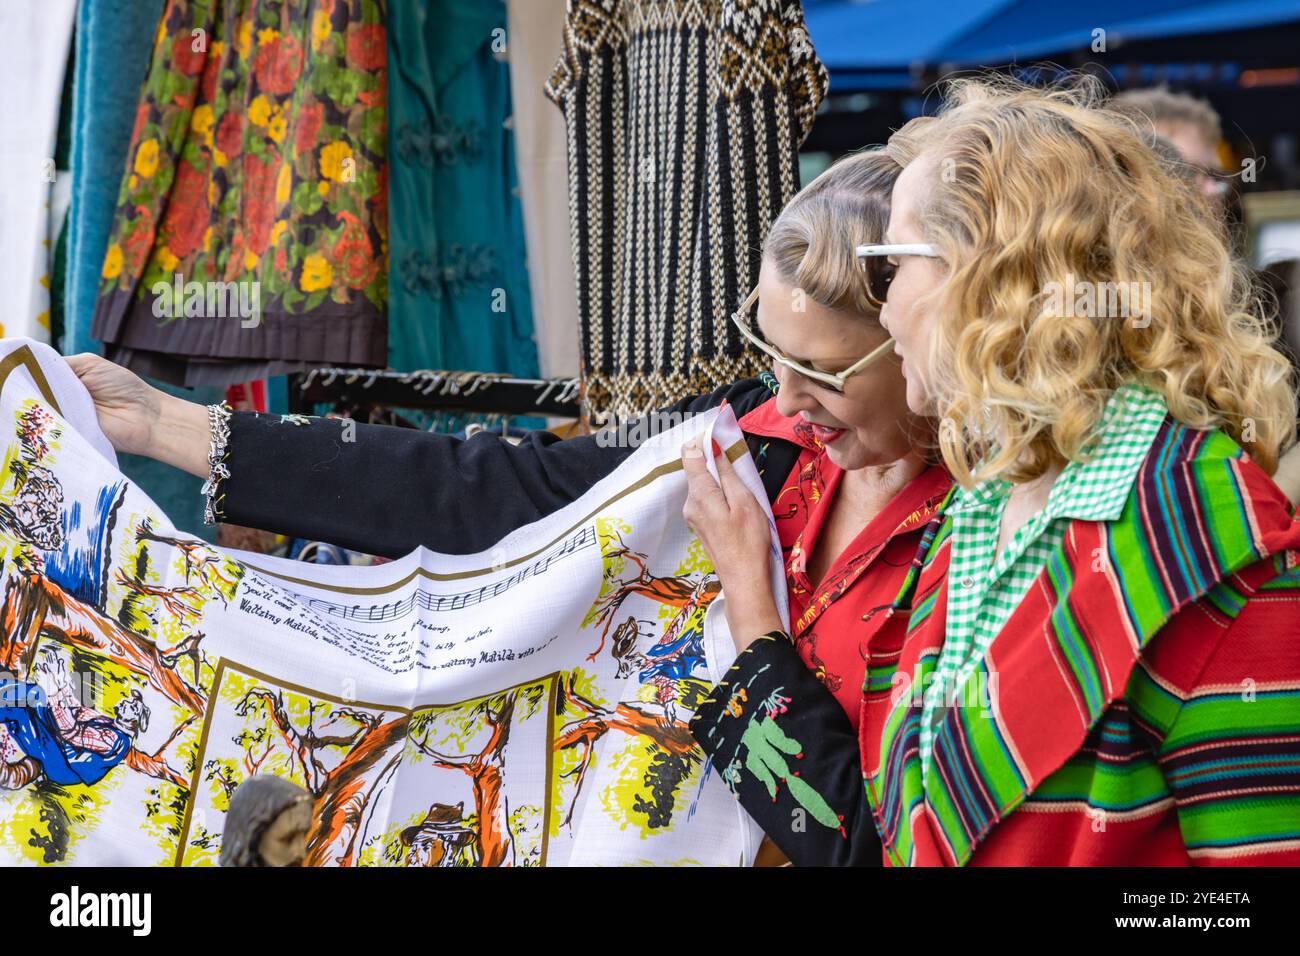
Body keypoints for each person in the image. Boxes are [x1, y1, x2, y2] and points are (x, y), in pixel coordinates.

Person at [66, 146, 946, 866]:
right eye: (770, 354)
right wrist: (168, 422)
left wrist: (753, 618)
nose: (786, 397)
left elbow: (864, 846)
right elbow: (494, 490)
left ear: (917, 342)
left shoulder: (971, 540)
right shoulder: (760, 449)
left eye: (824, 375)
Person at [683, 75, 1300, 866]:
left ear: (988, 278)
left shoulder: (1216, 545)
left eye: (890, 266)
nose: (885, 306)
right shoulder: (977, 518)